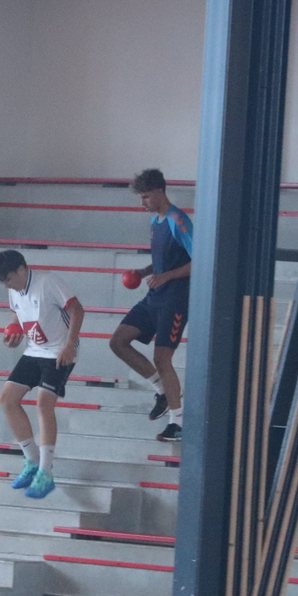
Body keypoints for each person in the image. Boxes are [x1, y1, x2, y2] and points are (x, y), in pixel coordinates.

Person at [0, 249, 85, 500]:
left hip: (59, 351)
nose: (6, 285)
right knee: (7, 398)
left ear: (21, 269)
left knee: (44, 403)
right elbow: (18, 313)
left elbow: (77, 310)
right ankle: (31, 460)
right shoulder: (14, 289)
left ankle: (46, 471)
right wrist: (14, 331)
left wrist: (70, 345)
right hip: (35, 350)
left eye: (8, 279)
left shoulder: (47, 282)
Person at [110, 168, 192, 442]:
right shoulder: (156, 221)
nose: (142, 203)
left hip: (175, 299)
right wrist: (145, 270)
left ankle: (178, 422)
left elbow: (200, 259)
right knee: (118, 342)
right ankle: (161, 390)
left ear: (159, 191)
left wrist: (167, 276)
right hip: (154, 297)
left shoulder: (178, 221)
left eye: (145, 197)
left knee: (162, 358)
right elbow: (165, 258)